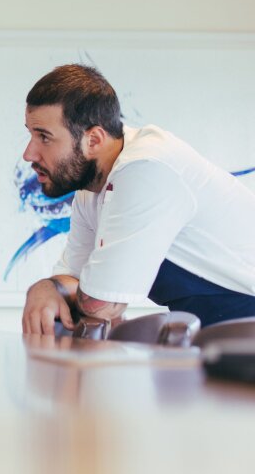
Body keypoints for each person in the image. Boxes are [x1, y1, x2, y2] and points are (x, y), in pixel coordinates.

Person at [21, 64, 255, 333]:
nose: (29, 154)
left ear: (94, 140)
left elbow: (102, 304)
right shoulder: (90, 190)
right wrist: (51, 288)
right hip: (219, 330)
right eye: (30, 134)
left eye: (44, 137)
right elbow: (71, 279)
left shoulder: (145, 167)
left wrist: (54, 289)